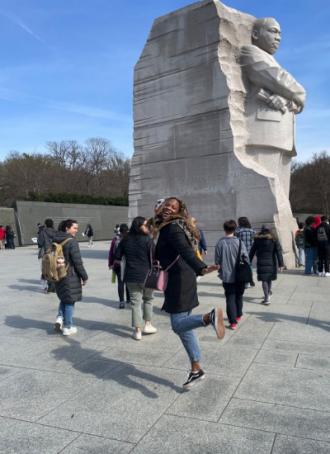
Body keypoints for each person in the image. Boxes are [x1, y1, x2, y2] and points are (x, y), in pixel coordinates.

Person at [155, 197, 225, 389]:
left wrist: (201, 268)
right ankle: (196, 369)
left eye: (173, 206)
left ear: (179, 211)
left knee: (178, 325)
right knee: (185, 328)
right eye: (166, 205)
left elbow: (185, 250)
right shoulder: (165, 225)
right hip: (181, 277)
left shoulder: (173, 228)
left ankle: (209, 317)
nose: (168, 208)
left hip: (180, 279)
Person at [115, 217, 156, 340]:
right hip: (147, 276)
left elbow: (117, 256)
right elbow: (155, 257)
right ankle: (147, 325)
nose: (147, 227)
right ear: (138, 226)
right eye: (145, 225)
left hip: (131, 276)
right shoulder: (148, 240)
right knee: (148, 299)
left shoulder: (125, 240)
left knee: (135, 303)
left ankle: (137, 331)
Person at [53, 219, 88, 336]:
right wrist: (84, 276)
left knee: (64, 298)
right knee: (70, 302)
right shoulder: (71, 241)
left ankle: (60, 318)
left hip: (58, 273)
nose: (76, 231)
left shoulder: (55, 239)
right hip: (69, 275)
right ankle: (68, 326)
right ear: (67, 228)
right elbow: (77, 261)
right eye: (74, 228)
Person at [215, 220, 249, 330]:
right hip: (240, 275)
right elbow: (246, 258)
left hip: (226, 276)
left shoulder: (220, 243)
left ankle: (233, 322)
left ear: (224, 229)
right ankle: (238, 314)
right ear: (235, 229)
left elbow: (217, 261)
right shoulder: (239, 242)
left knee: (230, 298)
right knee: (239, 295)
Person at [249, 226, 284, 305]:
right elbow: (279, 252)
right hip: (271, 262)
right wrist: (281, 264)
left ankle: (266, 298)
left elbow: (252, 251)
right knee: (269, 278)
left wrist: (249, 261)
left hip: (261, 262)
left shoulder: (257, 240)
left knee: (264, 280)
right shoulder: (274, 240)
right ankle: (268, 294)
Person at [108, 223, 130, 308]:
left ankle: (121, 301)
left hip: (117, 264)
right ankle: (129, 299)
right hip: (128, 264)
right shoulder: (130, 239)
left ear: (119, 231)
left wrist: (110, 264)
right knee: (128, 282)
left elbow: (111, 253)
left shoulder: (115, 239)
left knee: (120, 283)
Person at [235, 216, 256, 287]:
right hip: (250, 251)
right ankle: (250, 280)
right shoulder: (252, 231)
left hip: (240, 251)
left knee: (241, 266)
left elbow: (236, 242)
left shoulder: (238, 231)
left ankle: (244, 281)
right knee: (249, 265)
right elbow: (254, 243)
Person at [38, 218, 57, 292]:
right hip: (54, 252)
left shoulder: (43, 232)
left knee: (46, 269)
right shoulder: (56, 232)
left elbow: (40, 242)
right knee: (54, 268)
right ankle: (54, 285)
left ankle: (50, 285)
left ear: (45, 224)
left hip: (46, 252)